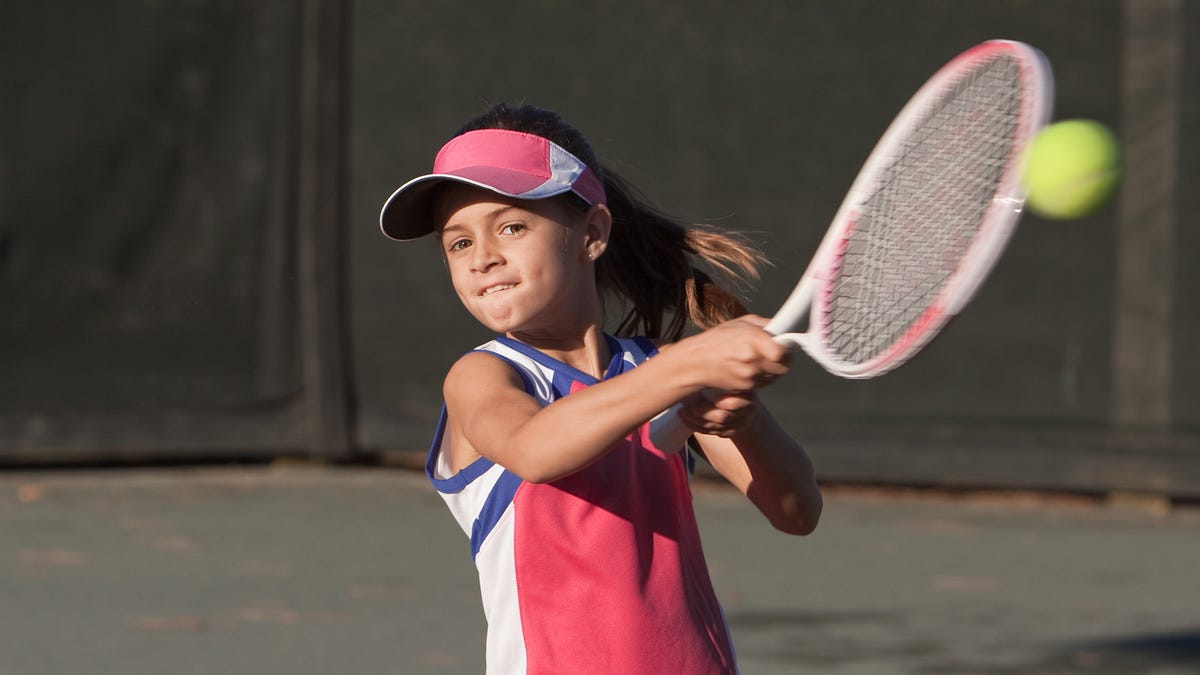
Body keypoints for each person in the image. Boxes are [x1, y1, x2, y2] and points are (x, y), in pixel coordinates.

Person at [379, 103, 822, 675]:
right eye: (458, 243)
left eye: (511, 226)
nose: (483, 257)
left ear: (592, 233)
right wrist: (688, 365)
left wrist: (745, 422)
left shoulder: (658, 370)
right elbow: (535, 451)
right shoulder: (484, 376)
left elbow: (797, 511)